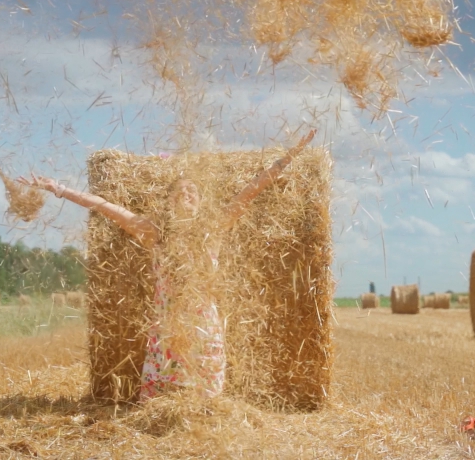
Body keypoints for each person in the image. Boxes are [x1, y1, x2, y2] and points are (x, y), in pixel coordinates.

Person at [16, 129, 316, 400]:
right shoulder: (154, 233)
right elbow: (103, 206)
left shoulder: (213, 229)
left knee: (206, 397)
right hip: (167, 325)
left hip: (203, 325)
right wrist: (57, 188)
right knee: (160, 397)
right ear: (168, 201)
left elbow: (254, 188)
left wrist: (291, 155)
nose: (187, 194)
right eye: (180, 191)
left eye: (193, 191)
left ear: (200, 201)